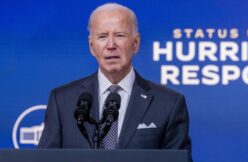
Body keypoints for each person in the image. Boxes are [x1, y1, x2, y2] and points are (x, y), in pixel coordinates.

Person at [38, 3, 191, 152]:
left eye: (119, 35)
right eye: (102, 36)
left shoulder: (169, 104)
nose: (111, 45)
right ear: (92, 46)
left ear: (136, 44)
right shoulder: (63, 101)